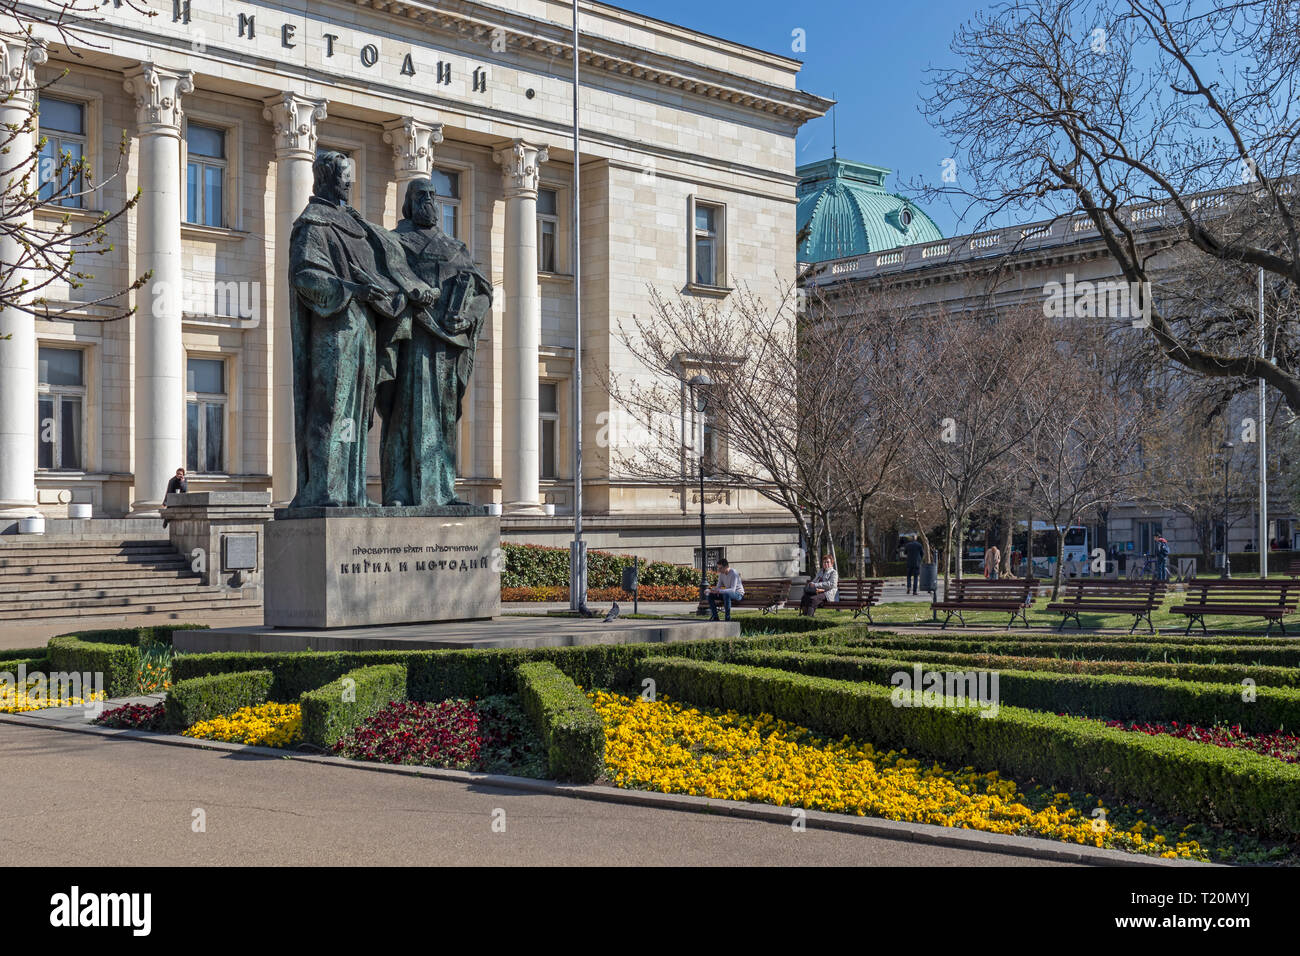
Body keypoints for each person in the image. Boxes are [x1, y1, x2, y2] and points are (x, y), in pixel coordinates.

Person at [287, 150, 437, 508]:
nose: (350, 183)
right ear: (325, 179)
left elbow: (385, 267)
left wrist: (402, 290)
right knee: (331, 410)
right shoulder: (313, 223)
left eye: (351, 177)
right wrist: (353, 290)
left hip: (364, 331)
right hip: (334, 332)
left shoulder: (355, 223)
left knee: (357, 415)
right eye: (343, 177)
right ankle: (325, 490)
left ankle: (352, 491)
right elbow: (306, 277)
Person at [379, 178, 493, 506]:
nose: (429, 201)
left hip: (448, 347)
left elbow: (484, 291)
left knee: (444, 417)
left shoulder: (455, 247)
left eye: (433, 195)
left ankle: (444, 491)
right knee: (405, 414)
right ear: (409, 203)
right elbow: (386, 284)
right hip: (412, 339)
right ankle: (400, 492)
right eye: (421, 196)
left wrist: (467, 316)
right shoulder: (395, 242)